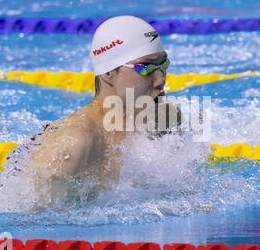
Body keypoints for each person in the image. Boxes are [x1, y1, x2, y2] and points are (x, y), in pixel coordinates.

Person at [23, 15, 182, 208]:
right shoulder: (75, 142)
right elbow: (27, 218)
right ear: (108, 72)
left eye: (163, 65)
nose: (160, 80)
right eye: (145, 68)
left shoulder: (164, 119)